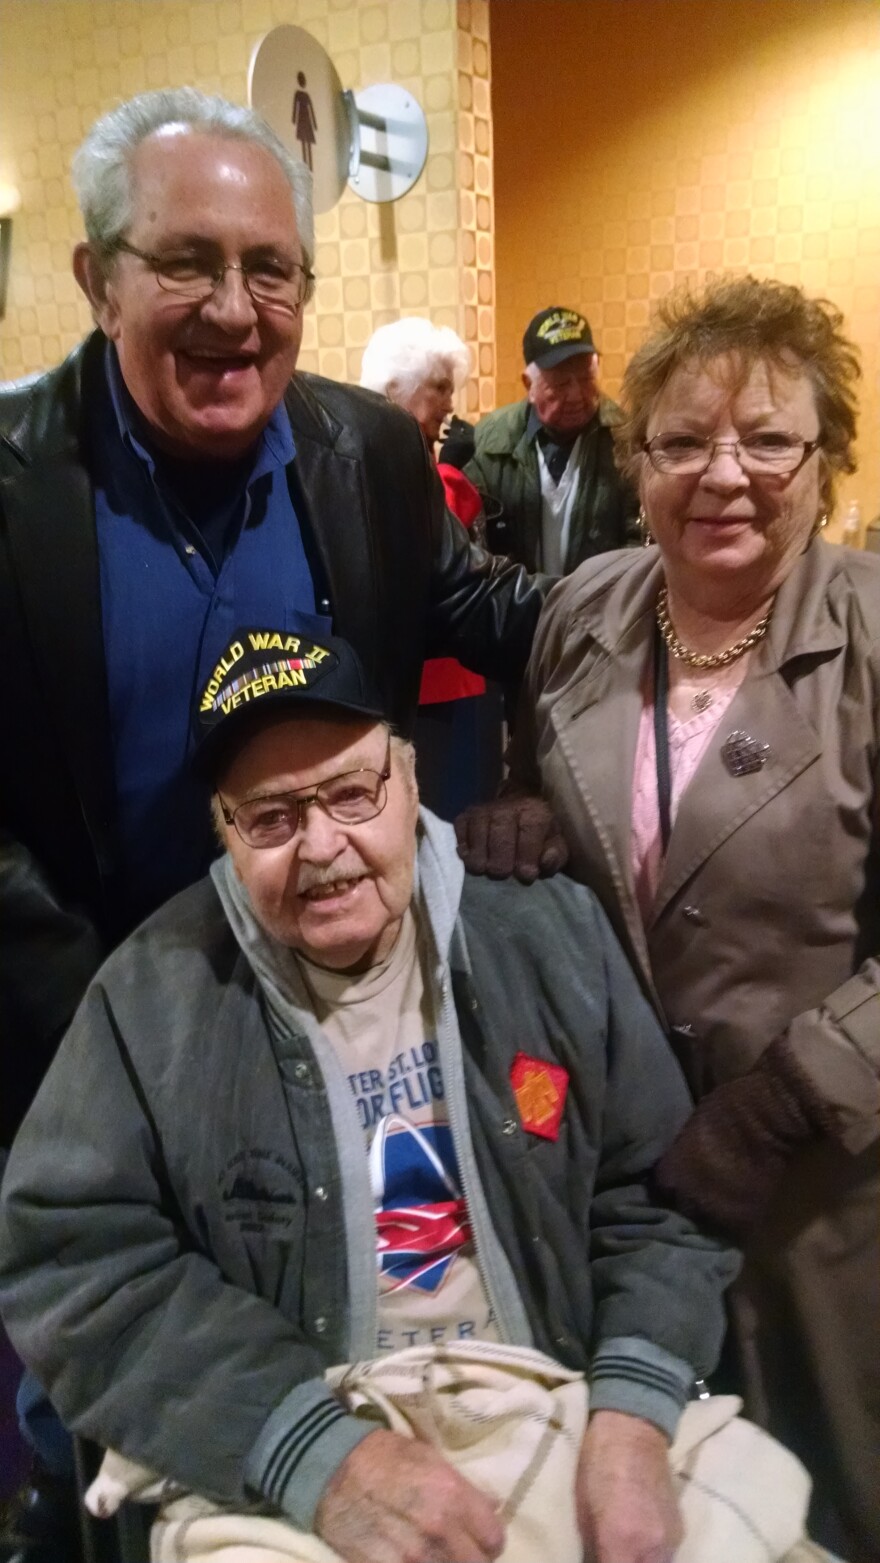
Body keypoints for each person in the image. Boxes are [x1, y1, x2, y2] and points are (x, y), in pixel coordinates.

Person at [0, 630, 741, 1563]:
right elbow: (70, 1259)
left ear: (410, 775)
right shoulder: (150, 998)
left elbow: (656, 1199)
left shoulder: (548, 935)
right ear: (222, 831)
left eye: (352, 792)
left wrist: (633, 1409)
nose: (322, 847)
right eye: (269, 816)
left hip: (565, 1396)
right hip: (283, 1449)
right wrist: (313, 1449)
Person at [0, 87, 546, 1148]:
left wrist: (698, 586)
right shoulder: (12, 480)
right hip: (77, 1047)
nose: (235, 309)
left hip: (340, 1029)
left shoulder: (373, 453)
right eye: (185, 262)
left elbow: (490, 613)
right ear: (98, 282)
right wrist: (111, 1022)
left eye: (268, 268)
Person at [465, 275, 878, 1560]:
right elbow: (556, 790)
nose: (724, 475)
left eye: (768, 439)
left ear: (828, 460)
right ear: (633, 458)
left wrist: (790, 1100)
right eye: (684, 440)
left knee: (835, 1503)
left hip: (826, 1198)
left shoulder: (870, 632)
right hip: (624, 1194)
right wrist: (521, 817)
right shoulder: (583, 613)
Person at [360, 316, 502, 818]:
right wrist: (450, 475)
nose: (449, 403)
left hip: (440, 677)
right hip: (436, 682)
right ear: (395, 389)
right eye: (439, 388)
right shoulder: (411, 470)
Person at [464, 306, 640, 573]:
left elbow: (640, 538)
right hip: (518, 606)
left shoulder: (625, 437)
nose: (576, 395)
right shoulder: (491, 440)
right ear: (529, 386)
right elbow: (475, 543)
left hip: (598, 605)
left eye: (586, 379)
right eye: (560, 384)